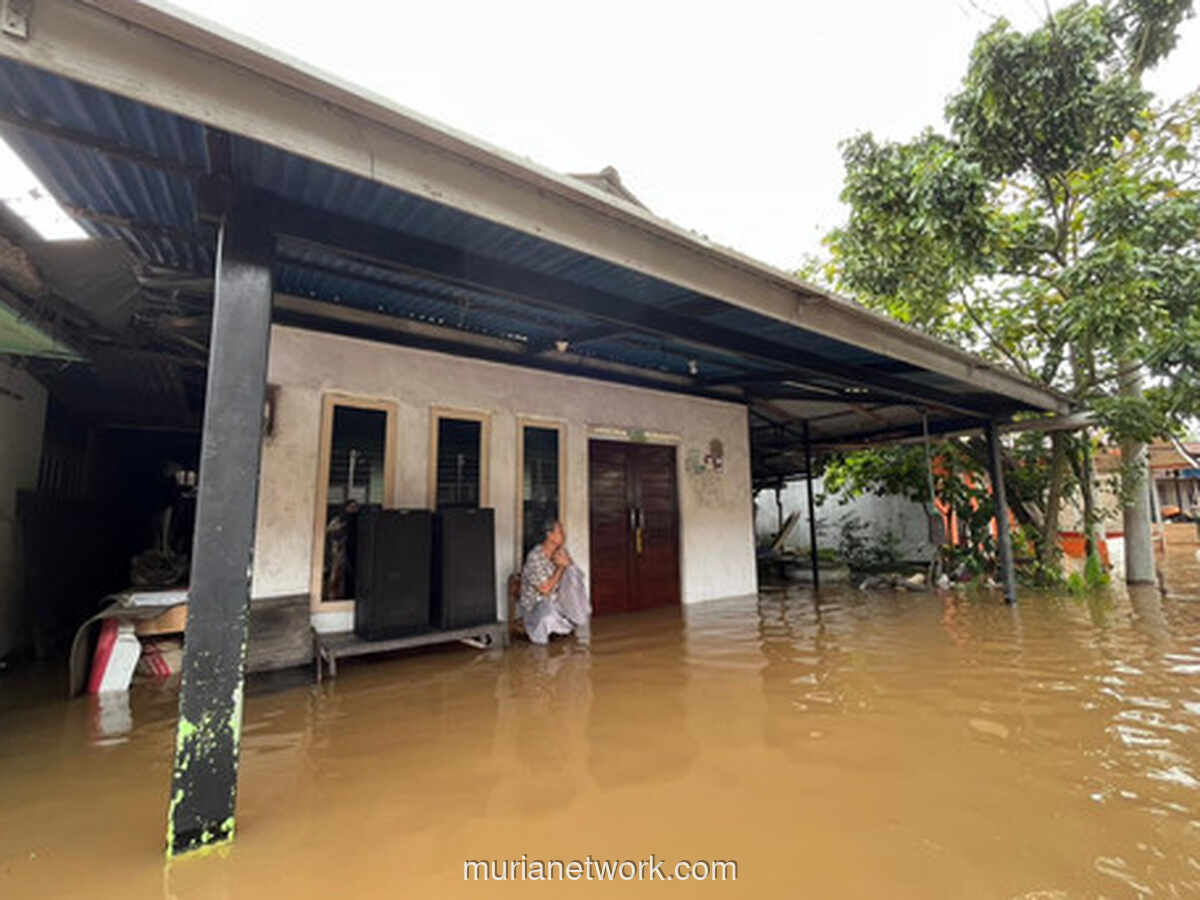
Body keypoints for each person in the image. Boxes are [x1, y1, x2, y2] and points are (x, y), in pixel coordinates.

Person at [519, 516, 591, 645]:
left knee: (574, 577)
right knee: (549, 612)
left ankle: (568, 622)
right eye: (560, 532)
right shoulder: (535, 557)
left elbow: (576, 577)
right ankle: (542, 644)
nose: (564, 535)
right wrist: (561, 568)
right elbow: (545, 590)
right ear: (549, 535)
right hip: (537, 607)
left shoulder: (561, 552)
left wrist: (569, 564)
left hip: (557, 603)